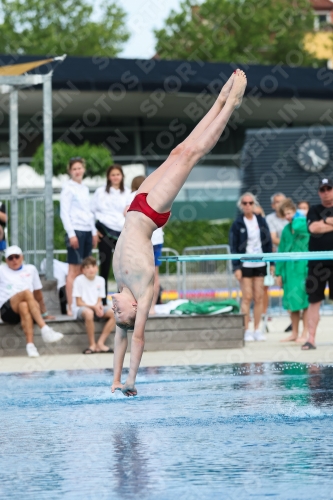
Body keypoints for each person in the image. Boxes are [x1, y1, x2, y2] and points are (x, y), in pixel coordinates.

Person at [111, 69, 247, 396]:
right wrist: (131, 381)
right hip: (150, 213)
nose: (114, 308)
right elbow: (134, 338)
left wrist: (114, 379)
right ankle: (230, 106)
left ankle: (218, 101)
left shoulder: (120, 285)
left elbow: (119, 338)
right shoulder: (142, 296)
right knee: (191, 155)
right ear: (133, 313)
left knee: (177, 151)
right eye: (119, 313)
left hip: (135, 205)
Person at [0, 246, 64, 357]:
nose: (14, 260)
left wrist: (44, 313)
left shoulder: (31, 269)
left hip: (27, 308)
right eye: (11, 258)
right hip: (7, 310)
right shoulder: (1, 270)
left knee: (24, 305)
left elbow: (38, 294)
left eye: (16, 257)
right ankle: (44, 329)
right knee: (26, 292)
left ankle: (30, 346)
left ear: (22, 257)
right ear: (6, 261)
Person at [230, 192, 272, 342]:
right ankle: (246, 329)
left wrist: (271, 263)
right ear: (241, 205)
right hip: (245, 263)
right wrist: (236, 267)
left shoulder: (260, 220)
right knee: (247, 297)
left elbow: (268, 242)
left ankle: (257, 329)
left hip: (260, 262)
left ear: (254, 204)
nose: (247, 205)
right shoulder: (237, 223)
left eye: (250, 203)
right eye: (245, 203)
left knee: (259, 297)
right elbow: (233, 246)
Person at [60, 157, 98, 316]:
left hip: (87, 231)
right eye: (74, 168)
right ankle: (70, 306)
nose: (77, 171)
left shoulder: (84, 188)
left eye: (79, 168)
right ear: (70, 171)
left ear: (83, 169)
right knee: (73, 271)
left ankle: (83, 303)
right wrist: (71, 234)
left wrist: (94, 231)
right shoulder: (67, 188)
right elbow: (64, 213)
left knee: (85, 270)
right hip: (75, 231)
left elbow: (89, 213)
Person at [91, 165, 132, 304]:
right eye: (112, 174)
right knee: (105, 264)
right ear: (108, 176)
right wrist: (94, 230)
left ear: (122, 176)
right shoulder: (100, 192)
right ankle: (102, 299)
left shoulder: (127, 192)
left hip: (122, 231)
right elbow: (92, 211)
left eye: (118, 174)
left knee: (123, 267)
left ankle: (123, 298)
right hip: (104, 230)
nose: (115, 177)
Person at [126, 175, 165, 315]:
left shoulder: (133, 196)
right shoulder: (157, 195)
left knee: (139, 275)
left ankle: (141, 305)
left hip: (142, 240)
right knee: (153, 276)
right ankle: (151, 306)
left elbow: (126, 213)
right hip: (152, 239)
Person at [303, 178, 333, 350]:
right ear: (319, 192)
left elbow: (318, 226)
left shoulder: (318, 214)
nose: (326, 192)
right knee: (314, 300)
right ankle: (311, 338)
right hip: (317, 263)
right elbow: (313, 228)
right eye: (323, 189)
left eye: (329, 188)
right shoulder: (314, 209)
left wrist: (324, 222)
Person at [275, 199, 309, 343]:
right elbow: (281, 251)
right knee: (291, 303)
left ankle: (305, 333)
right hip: (289, 270)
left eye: (289, 213)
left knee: (305, 302)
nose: (288, 217)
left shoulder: (303, 224)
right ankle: (294, 332)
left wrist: (299, 216)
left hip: (303, 268)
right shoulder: (285, 230)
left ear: (295, 211)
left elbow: (300, 227)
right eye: (285, 215)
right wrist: (278, 272)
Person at [72, 256, 116, 354]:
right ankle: (92, 345)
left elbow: (99, 299)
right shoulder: (78, 280)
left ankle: (100, 343)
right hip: (82, 308)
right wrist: (94, 307)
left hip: (95, 307)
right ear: (83, 270)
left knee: (115, 313)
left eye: (93, 266)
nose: (91, 269)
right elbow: (78, 303)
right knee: (89, 313)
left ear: (97, 268)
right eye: (87, 267)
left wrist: (98, 306)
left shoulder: (101, 280)